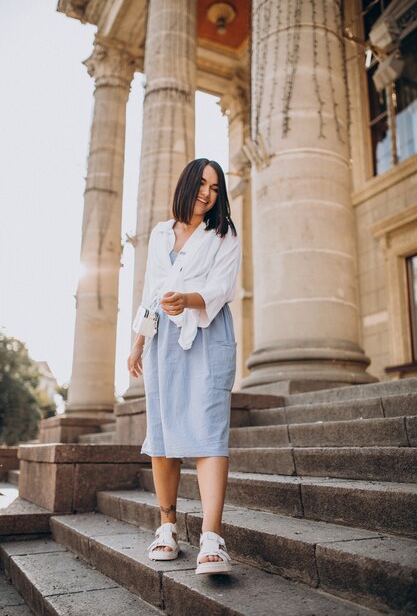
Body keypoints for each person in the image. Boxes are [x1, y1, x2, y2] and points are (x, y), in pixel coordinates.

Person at [127, 157, 241, 575]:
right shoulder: (160, 233)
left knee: (210, 428)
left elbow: (223, 286)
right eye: (202, 184)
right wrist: (137, 343)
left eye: (215, 188)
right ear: (187, 183)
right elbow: (150, 291)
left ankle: (212, 537)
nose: (208, 194)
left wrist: (188, 300)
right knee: (163, 430)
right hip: (163, 340)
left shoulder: (224, 232)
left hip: (208, 332)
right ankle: (167, 527)